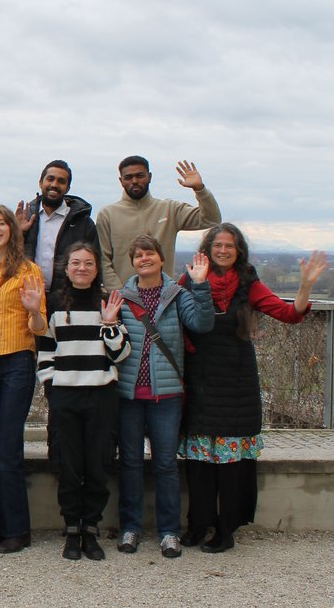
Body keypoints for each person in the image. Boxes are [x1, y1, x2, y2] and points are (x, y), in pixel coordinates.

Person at [178, 225, 327, 553]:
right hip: (200, 379)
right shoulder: (190, 280)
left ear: (238, 250)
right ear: (207, 248)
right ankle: (197, 524)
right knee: (199, 462)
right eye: (217, 245)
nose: (223, 250)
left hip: (236, 383)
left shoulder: (249, 285)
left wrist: (304, 286)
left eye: (229, 246)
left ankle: (225, 529)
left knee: (231, 465)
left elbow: (290, 314)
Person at [115, 234, 213, 559]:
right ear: (133, 262)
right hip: (128, 395)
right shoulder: (122, 298)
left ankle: (168, 531)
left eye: (150, 254)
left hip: (166, 395)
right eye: (138, 255)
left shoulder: (177, 294)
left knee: (166, 465)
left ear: (160, 258)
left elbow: (202, 322)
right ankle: (130, 527)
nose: (144, 259)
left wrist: (200, 285)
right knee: (129, 463)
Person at [35, 242, 130, 561]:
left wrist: (109, 323)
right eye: (76, 263)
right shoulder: (55, 303)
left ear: (96, 268)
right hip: (66, 394)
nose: (82, 268)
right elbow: (45, 348)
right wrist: (51, 382)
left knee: (98, 464)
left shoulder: (107, 301)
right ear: (66, 267)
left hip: (101, 394)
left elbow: (121, 353)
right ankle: (71, 530)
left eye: (88, 263)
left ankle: (91, 528)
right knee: (70, 465)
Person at [0, 205, 47, 554]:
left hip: (17, 360)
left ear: (12, 230)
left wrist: (33, 310)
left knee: (7, 447)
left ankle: (17, 528)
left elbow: (40, 328)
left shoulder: (29, 271)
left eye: (1, 223)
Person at [96, 157, 221, 290]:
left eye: (140, 176)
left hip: (165, 299)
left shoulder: (169, 209)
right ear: (121, 181)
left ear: (149, 177)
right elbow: (104, 260)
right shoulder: (107, 214)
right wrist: (119, 295)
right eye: (128, 177)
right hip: (124, 301)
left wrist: (200, 190)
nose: (134, 181)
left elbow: (211, 219)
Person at [16, 161, 99, 290]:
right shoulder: (25, 218)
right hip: (28, 294)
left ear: (67, 188)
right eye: (50, 179)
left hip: (67, 298)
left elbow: (95, 262)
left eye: (61, 181)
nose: (54, 185)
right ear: (40, 182)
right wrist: (17, 233)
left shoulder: (83, 223)